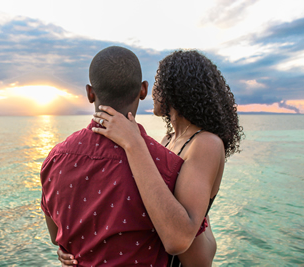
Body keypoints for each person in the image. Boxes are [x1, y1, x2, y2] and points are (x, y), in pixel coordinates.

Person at [59, 50, 243, 266]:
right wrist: (76, 247)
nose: (153, 91)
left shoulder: (206, 143)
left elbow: (180, 240)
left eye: (158, 82)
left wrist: (134, 143)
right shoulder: (168, 139)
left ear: (177, 88)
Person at [40, 46, 185, 266]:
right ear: (143, 90)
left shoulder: (55, 160)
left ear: (90, 93)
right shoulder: (167, 164)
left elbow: (56, 237)